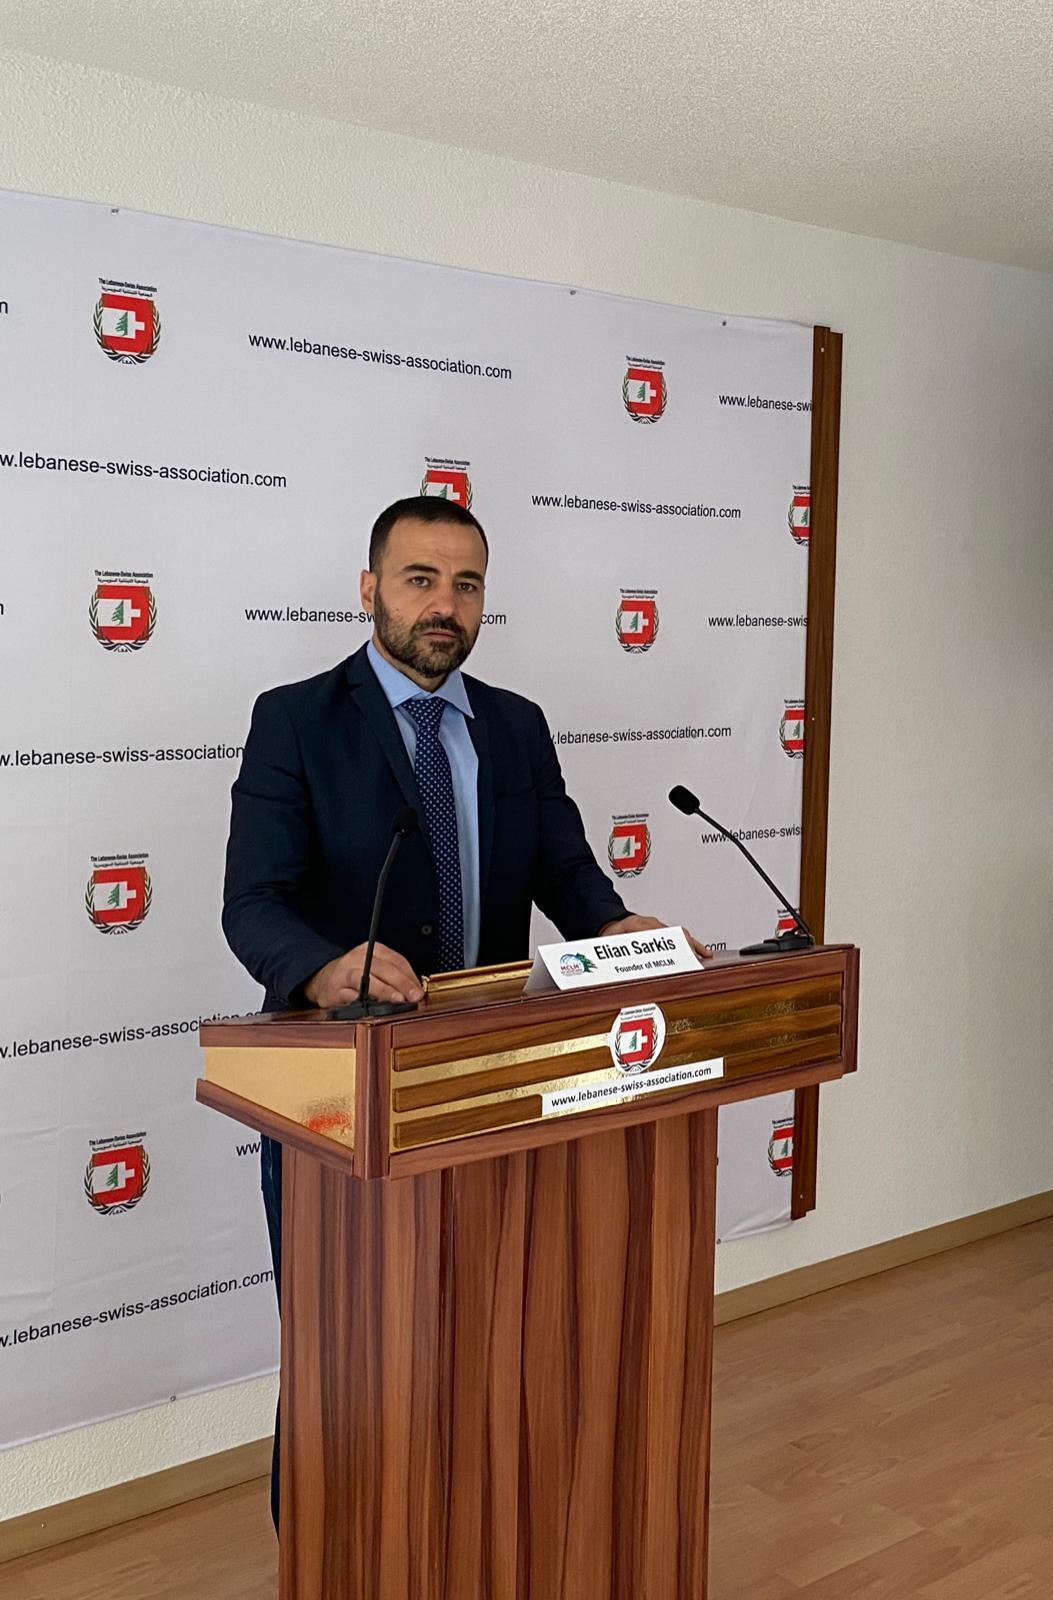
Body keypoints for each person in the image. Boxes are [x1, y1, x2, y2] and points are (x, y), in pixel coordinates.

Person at [222, 495, 707, 1532]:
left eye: (466, 584)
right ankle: (324, 1559)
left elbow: (569, 877)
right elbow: (252, 903)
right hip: (343, 1102)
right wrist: (324, 969)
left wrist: (621, 927)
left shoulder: (516, 726)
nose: (444, 605)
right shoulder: (296, 720)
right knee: (345, 1366)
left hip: (493, 1090)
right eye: (420, 579)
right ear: (370, 589)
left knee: (484, 1347)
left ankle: (468, 1546)